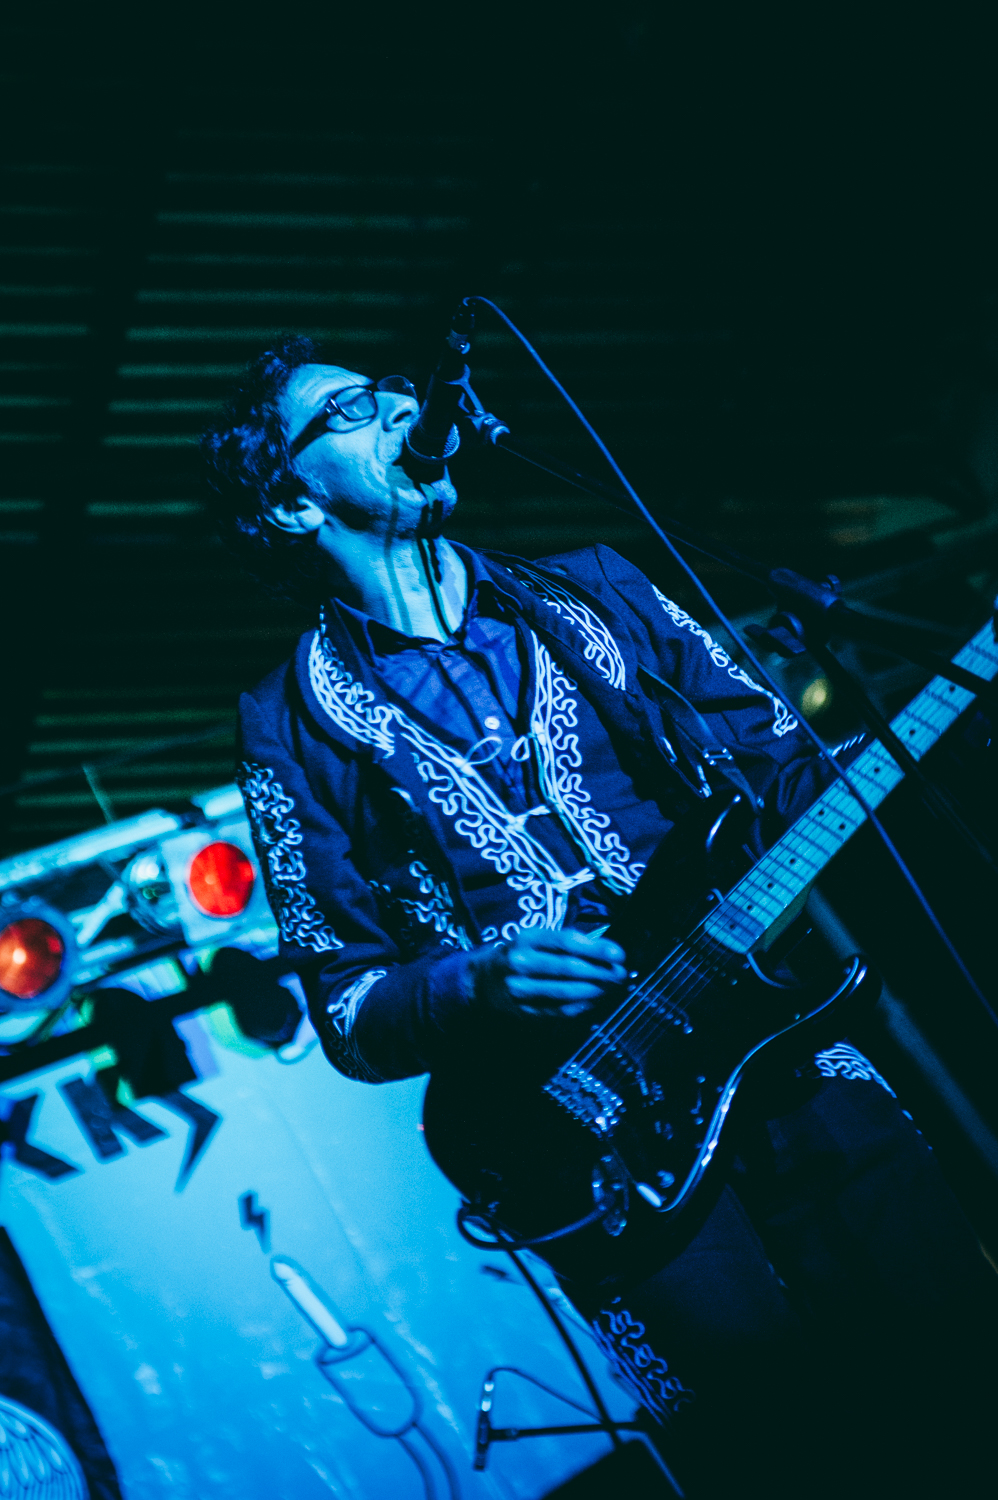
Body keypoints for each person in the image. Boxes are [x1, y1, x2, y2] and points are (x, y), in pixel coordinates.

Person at [204, 335, 997, 1498]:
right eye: (352, 409)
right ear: (288, 503)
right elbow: (346, 1008)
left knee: (960, 1358)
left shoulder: (595, 586)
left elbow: (785, 773)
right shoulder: (285, 722)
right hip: (581, 1138)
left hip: (783, 1047)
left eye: (393, 390)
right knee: (784, 1450)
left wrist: (928, 728)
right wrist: (475, 982)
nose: (400, 409)